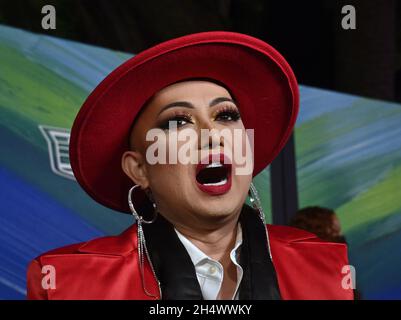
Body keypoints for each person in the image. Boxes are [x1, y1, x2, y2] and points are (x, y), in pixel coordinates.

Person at [26, 31, 353, 300]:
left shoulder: (327, 270)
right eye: (177, 122)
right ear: (139, 169)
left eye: (225, 115)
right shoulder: (66, 285)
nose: (211, 135)